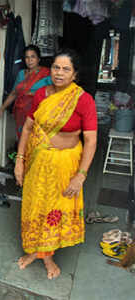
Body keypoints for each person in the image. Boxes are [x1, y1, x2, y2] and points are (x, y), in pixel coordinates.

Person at [14, 49, 97, 279]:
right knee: (35, 206)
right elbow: (28, 128)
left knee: (54, 210)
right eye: (56, 68)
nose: (59, 73)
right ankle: (34, 251)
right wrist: (19, 161)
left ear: (75, 74)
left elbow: (90, 140)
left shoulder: (83, 100)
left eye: (66, 69)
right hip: (38, 161)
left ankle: (47, 256)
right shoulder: (41, 94)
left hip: (65, 163)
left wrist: (81, 175)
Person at [0, 45, 52, 138]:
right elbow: (14, 93)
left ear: (38, 59)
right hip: (21, 113)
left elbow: (54, 93)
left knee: (36, 141)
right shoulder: (21, 74)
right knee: (23, 140)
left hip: (38, 114)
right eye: (27, 57)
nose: (30, 60)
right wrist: (2, 109)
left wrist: (34, 94)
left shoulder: (46, 74)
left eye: (33, 57)